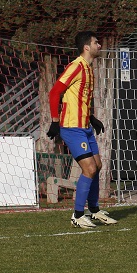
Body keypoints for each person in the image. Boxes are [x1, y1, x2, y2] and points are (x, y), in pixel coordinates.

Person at [47, 31, 117, 229]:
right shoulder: (76, 66)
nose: (99, 46)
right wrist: (55, 121)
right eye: (96, 43)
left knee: (97, 165)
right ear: (87, 47)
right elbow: (54, 92)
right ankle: (77, 215)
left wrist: (92, 118)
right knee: (90, 169)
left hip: (84, 127)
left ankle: (94, 210)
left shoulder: (88, 68)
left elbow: (80, 98)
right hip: (72, 127)